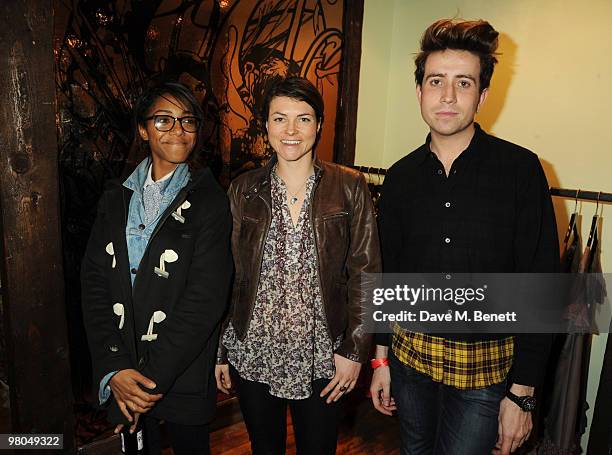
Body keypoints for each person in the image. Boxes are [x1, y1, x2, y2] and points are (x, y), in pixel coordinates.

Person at [369, 19, 560, 455]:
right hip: (409, 360)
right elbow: (388, 276)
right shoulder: (399, 177)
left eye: (464, 82)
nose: (448, 96)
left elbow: (542, 285)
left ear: (483, 95)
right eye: (436, 81)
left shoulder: (521, 171)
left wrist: (523, 393)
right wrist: (380, 360)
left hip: (487, 371)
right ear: (419, 92)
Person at [215, 76, 381, 455]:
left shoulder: (350, 185)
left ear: (318, 125)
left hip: (322, 352)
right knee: (265, 449)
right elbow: (230, 276)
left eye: (303, 119)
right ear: (266, 126)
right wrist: (220, 352)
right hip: (254, 348)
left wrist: (355, 351)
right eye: (279, 118)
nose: (291, 130)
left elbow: (367, 273)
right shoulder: (243, 189)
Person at [82, 81, 232, 455]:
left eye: (187, 121)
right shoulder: (115, 196)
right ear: (143, 129)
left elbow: (205, 301)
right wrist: (115, 368)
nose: (178, 130)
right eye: (164, 120)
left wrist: (144, 384)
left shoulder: (210, 201)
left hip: (179, 371)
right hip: (124, 368)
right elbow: (95, 283)